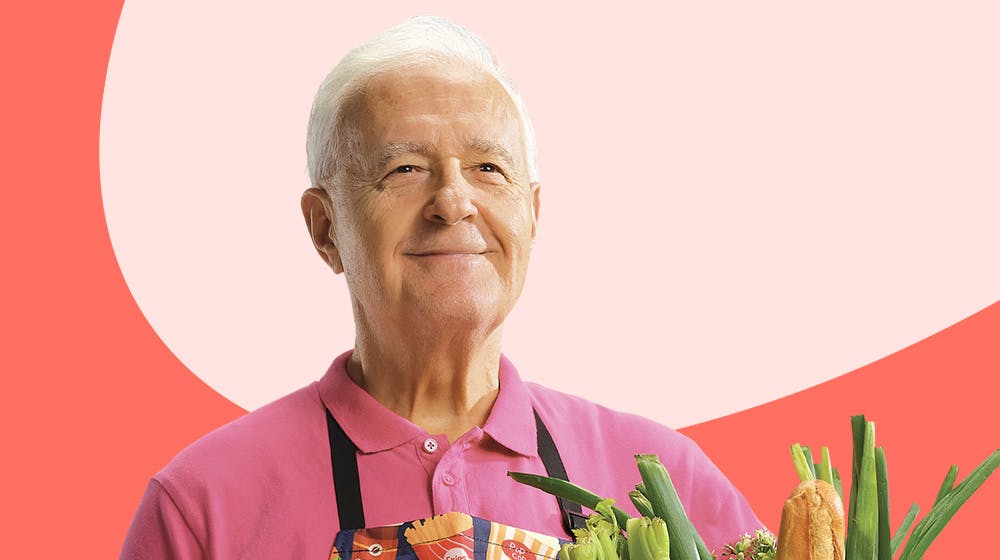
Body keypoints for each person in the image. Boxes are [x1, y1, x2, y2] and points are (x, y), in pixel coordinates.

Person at [120, 16, 763, 559]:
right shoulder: (203, 506)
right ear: (326, 230)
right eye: (405, 169)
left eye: (488, 168)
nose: (454, 201)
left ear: (531, 215)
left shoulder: (660, 479)